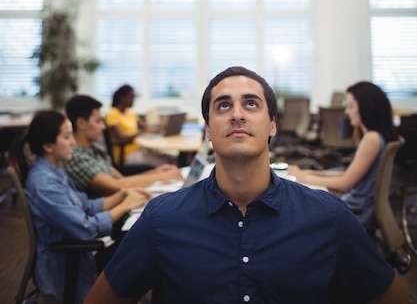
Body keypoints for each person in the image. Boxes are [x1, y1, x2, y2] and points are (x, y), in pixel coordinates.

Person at [84, 67, 409, 304]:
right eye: (223, 105)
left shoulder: (330, 219)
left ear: (272, 125)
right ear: (208, 130)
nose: (237, 114)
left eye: (251, 104)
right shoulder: (160, 220)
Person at [8, 109, 150, 304]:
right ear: (49, 145)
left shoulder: (53, 171)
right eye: (67, 137)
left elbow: (86, 205)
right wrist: (125, 205)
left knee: (139, 242)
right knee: (143, 244)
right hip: (70, 266)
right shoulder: (45, 184)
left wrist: (122, 195)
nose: (73, 142)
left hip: (78, 257)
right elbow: (85, 228)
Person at [288, 81, 398, 230]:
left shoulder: (372, 139)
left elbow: (345, 183)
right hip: (355, 209)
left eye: (351, 106)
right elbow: (348, 174)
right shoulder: (374, 137)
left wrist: (302, 178)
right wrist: (310, 172)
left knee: (294, 210)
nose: (346, 112)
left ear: (366, 108)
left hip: (355, 214)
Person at [63, 94, 183, 196]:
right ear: (81, 123)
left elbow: (122, 180)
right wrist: (161, 177)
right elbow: (115, 185)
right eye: (98, 121)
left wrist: (157, 172)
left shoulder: (94, 151)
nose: (103, 127)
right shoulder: (76, 156)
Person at [105, 84, 172, 167]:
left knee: (170, 158)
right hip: (126, 155)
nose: (133, 101)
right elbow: (121, 138)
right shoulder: (112, 114)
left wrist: (161, 129)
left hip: (138, 150)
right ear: (122, 98)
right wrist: (139, 133)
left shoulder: (129, 112)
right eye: (131, 97)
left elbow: (145, 128)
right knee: (164, 163)